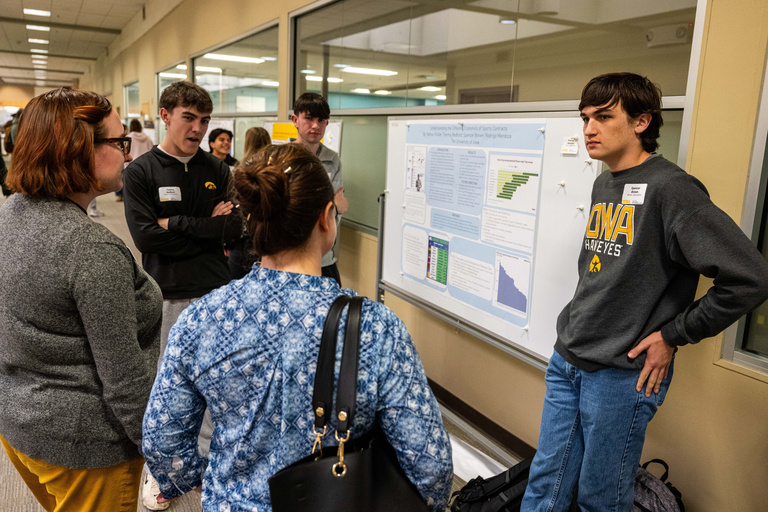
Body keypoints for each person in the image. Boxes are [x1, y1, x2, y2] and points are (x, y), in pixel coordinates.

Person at [142, 143, 453, 512]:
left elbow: (163, 443)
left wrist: (213, 482)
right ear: (326, 218)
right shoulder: (377, 329)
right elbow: (431, 466)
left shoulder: (200, 319)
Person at [521, 72, 768, 512]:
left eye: (603, 116)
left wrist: (674, 335)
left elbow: (750, 278)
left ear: (641, 122)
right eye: (584, 118)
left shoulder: (673, 190)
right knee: (546, 484)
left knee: (602, 498)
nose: (589, 129)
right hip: (569, 358)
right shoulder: (604, 182)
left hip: (620, 374)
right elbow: (603, 272)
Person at [0, 87, 162, 512]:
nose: (128, 155)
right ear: (76, 149)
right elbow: (125, 382)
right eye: (118, 142)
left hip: (19, 426)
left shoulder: (11, 210)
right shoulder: (91, 250)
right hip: (86, 449)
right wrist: (164, 455)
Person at [122, 80, 242, 510]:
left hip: (216, 290)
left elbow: (232, 229)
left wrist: (177, 224)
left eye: (204, 121)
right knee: (170, 390)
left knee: (218, 385)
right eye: (189, 118)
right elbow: (147, 238)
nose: (197, 129)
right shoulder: (140, 172)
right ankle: (160, 472)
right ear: (166, 115)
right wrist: (204, 226)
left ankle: (211, 468)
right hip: (167, 293)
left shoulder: (217, 170)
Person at [290, 92, 347, 285]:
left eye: (321, 120)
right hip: (291, 257)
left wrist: (329, 206)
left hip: (325, 259)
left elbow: (332, 214)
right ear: (295, 120)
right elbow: (288, 210)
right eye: (309, 118)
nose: (315, 125)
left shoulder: (333, 160)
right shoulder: (282, 158)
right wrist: (333, 204)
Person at [226, 126, 272, 279]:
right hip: (268, 239)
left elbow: (232, 207)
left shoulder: (239, 171)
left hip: (242, 240)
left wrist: (227, 241)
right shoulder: (275, 172)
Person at [116, 119, 154, 202]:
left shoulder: (128, 138)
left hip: (131, 166)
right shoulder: (148, 138)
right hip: (145, 167)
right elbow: (151, 152)